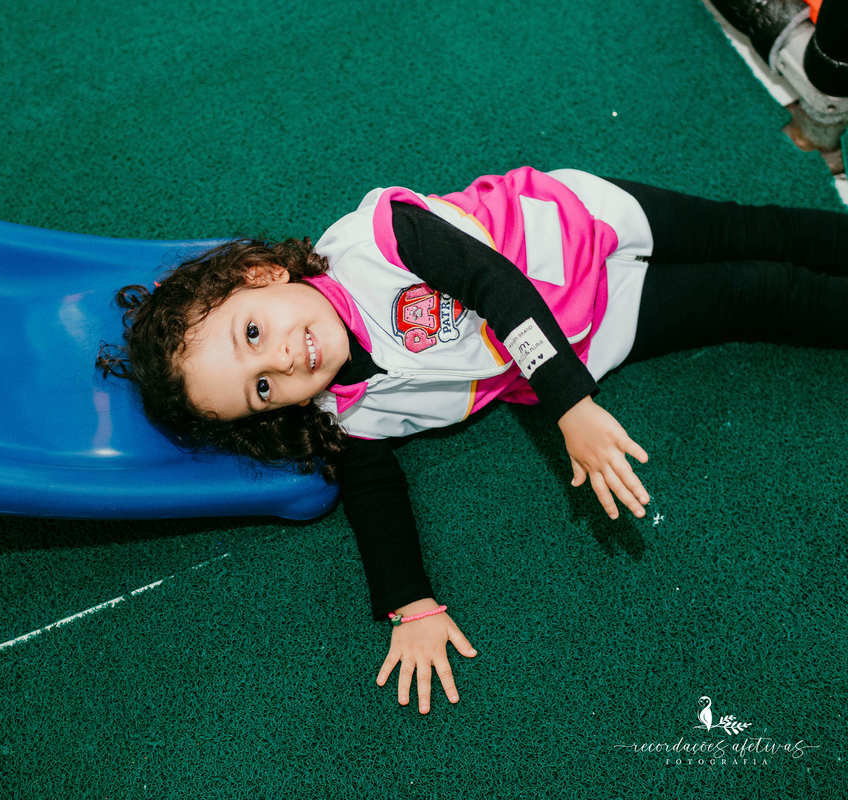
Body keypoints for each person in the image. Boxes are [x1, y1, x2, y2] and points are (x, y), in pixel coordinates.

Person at [96, 167, 847, 716]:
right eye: (261, 388)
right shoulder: (345, 412)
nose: (284, 362)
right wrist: (411, 603)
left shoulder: (375, 242)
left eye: (254, 333)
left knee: (746, 231)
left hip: (579, 223)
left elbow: (494, 283)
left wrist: (570, 405)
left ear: (260, 274)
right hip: (596, 327)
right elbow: (374, 492)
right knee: (757, 291)